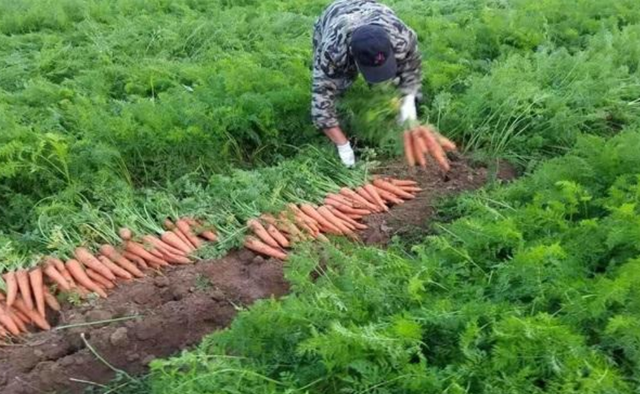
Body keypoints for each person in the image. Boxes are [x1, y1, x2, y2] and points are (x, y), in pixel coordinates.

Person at [312, 0, 422, 167]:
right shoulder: (332, 52)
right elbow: (320, 104)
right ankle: (342, 125)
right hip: (334, 16)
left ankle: (389, 94)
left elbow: (411, 65)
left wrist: (409, 98)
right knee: (339, 87)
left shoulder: (401, 36)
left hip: (372, 9)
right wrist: (343, 146)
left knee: (396, 80)